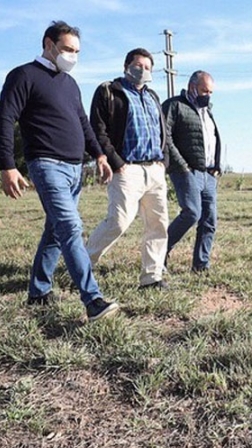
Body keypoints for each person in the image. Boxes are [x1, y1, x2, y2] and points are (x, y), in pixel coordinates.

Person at [0, 21, 119, 321]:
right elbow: (4, 119)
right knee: (70, 228)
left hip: (74, 169)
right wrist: (8, 166)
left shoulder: (70, 84)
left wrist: (100, 156)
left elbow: (83, 123)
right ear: (48, 44)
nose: (72, 56)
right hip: (46, 164)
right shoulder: (23, 76)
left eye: (76, 51)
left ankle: (38, 292)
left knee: (54, 231)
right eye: (67, 49)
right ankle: (93, 301)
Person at [86, 48, 169, 290]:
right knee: (119, 221)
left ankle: (152, 277)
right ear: (126, 66)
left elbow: (163, 131)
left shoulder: (153, 96)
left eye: (147, 67)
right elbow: (98, 129)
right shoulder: (109, 91)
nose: (143, 70)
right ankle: (82, 263)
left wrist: (164, 162)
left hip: (154, 169)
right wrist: (116, 162)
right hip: (127, 170)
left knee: (158, 224)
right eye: (138, 65)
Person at [162, 71, 221, 273]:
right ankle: (160, 252)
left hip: (208, 174)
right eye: (204, 90)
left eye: (211, 92)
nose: (208, 95)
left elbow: (212, 140)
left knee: (209, 220)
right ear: (192, 86)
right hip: (186, 171)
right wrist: (182, 166)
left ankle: (201, 265)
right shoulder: (174, 105)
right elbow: (165, 137)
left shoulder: (207, 111)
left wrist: (216, 166)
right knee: (192, 213)